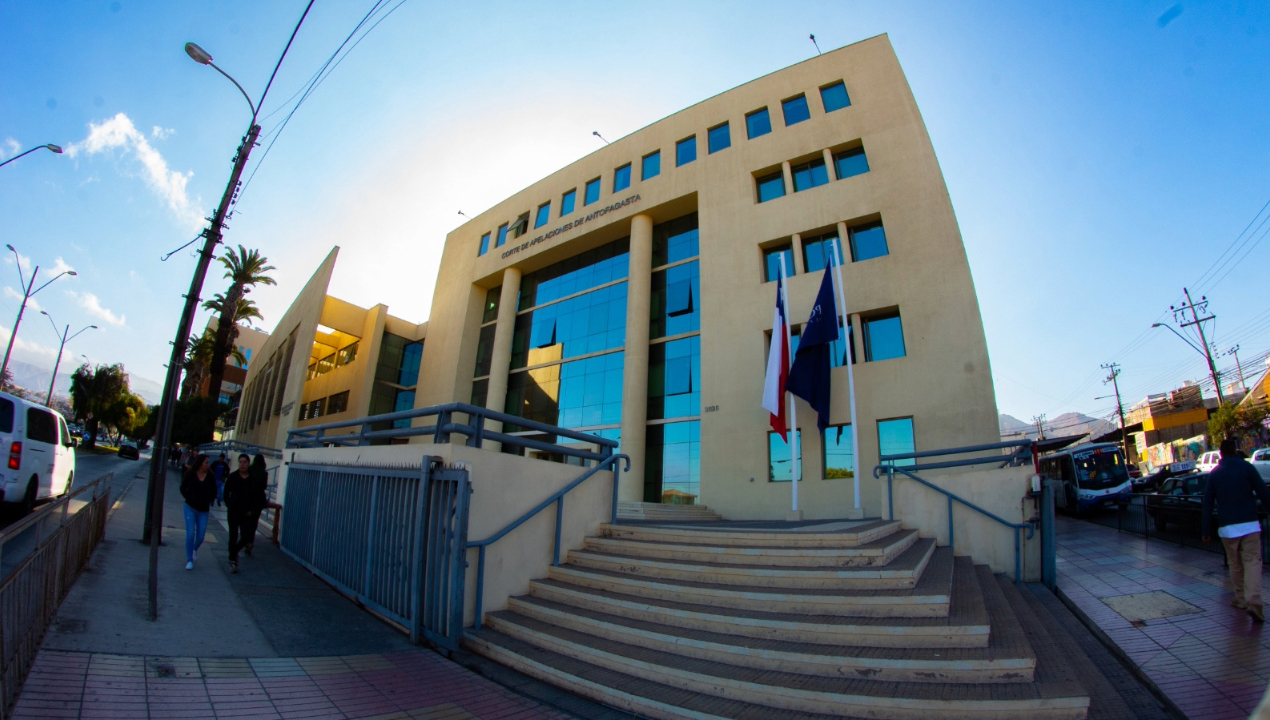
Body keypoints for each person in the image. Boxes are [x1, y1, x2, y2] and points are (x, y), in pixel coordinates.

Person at [1202, 437, 1270, 622]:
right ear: (1235, 451)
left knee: (1235, 564)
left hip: (1228, 527)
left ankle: (1240, 598)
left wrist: (1206, 531)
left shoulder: (1215, 474)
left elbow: (1208, 503)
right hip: (1250, 523)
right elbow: (1263, 492)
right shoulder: (1247, 467)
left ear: (1221, 454)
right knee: (1252, 562)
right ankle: (1254, 601)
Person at [223, 454, 266, 573]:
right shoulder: (233, 477)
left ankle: (234, 552)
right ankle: (232, 560)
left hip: (246, 513)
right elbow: (226, 493)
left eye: (244, 462)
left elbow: (257, 496)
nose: (242, 464)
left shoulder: (252, 479)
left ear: (248, 464)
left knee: (246, 537)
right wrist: (230, 506)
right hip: (233, 512)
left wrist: (252, 510)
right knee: (233, 536)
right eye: (240, 462)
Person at [179, 454, 217, 571]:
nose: (208, 465)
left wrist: (208, 500)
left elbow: (214, 492)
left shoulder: (210, 476)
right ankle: (189, 560)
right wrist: (189, 497)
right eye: (206, 462)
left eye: (208, 462)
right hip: (190, 507)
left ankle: (194, 549)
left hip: (203, 510)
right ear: (200, 463)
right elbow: (182, 487)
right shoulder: (191, 474)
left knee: (200, 536)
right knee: (190, 534)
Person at [244, 454, 271, 557]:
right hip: (259, 500)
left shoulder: (250, 470)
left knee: (246, 521)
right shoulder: (264, 473)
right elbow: (264, 487)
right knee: (254, 522)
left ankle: (246, 541)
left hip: (249, 498)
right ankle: (250, 541)